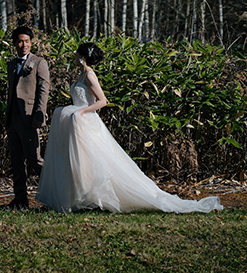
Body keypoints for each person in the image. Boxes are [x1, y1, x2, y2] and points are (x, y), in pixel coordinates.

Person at [36, 42, 223, 214]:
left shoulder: (90, 76)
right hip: (77, 122)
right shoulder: (81, 75)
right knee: (79, 161)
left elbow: (102, 101)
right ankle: (80, 198)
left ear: (83, 57)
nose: (75, 56)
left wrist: (82, 111)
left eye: (77, 54)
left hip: (85, 121)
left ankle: (97, 199)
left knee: (94, 161)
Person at [3, 25, 50, 210]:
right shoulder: (11, 64)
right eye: (20, 41)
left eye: (27, 41)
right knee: (16, 161)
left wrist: (40, 114)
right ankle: (20, 199)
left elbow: (44, 90)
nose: (24, 45)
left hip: (30, 118)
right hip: (12, 118)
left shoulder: (39, 63)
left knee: (35, 160)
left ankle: (56, 195)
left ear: (32, 43)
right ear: (15, 43)